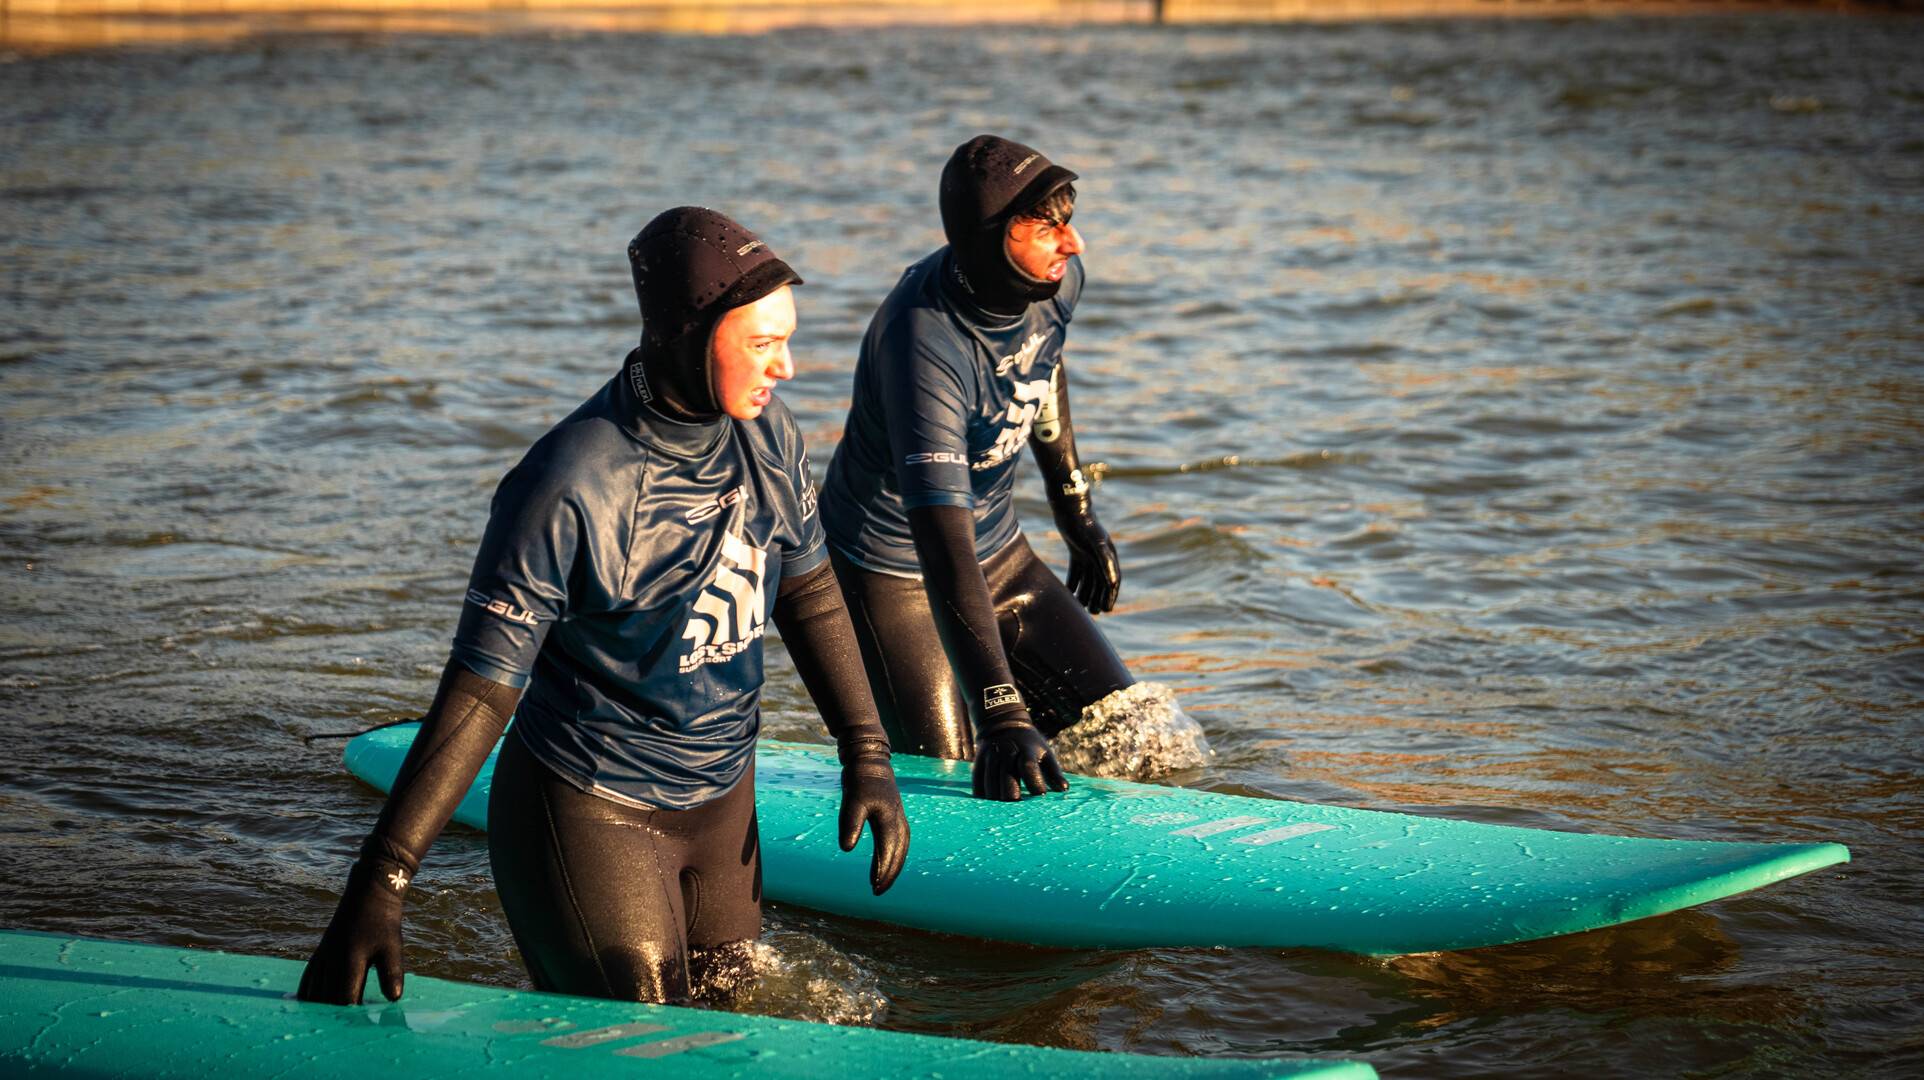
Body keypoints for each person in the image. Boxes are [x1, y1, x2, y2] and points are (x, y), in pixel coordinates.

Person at [298, 207, 908, 1007]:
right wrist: (382, 877)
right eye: (762, 344)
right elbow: (482, 692)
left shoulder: (767, 436)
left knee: (731, 1040)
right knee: (642, 1053)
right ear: (691, 336)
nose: (786, 368)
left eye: (785, 341)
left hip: (723, 804)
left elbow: (814, 595)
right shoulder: (570, 485)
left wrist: (867, 751)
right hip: (593, 812)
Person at [819, 134, 1205, 803]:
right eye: (1049, 227)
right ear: (991, 238)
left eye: (1070, 220)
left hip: (1000, 553)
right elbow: (940, 544)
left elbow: (1041, 365)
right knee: (955, 777)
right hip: (893, 575)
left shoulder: (1054, 282)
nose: (1074, 244)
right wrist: (1002, 712)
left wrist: (1074, 509)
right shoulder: (925, 346)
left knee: (1142, 740)